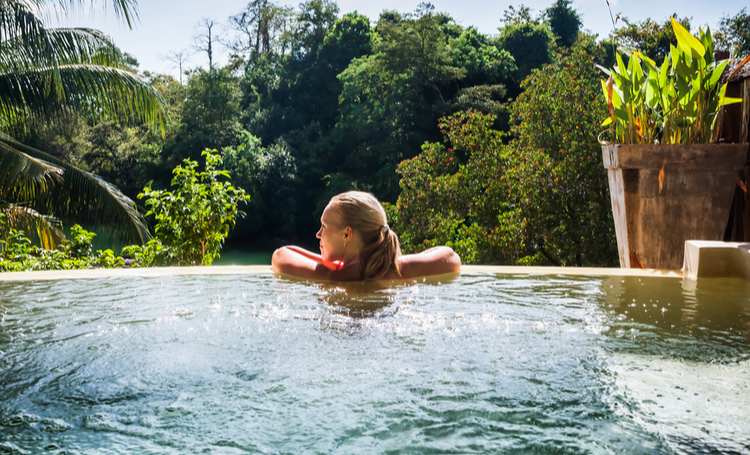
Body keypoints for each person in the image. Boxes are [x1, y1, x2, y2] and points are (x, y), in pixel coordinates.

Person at [271, 191, 461, 281]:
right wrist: (393, 260)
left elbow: (281, 255)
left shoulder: (333, 276)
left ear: (347, 234)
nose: (318, 234)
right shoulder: (398, 270)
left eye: (324, 226)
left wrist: (331, 265)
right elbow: (450, 256)